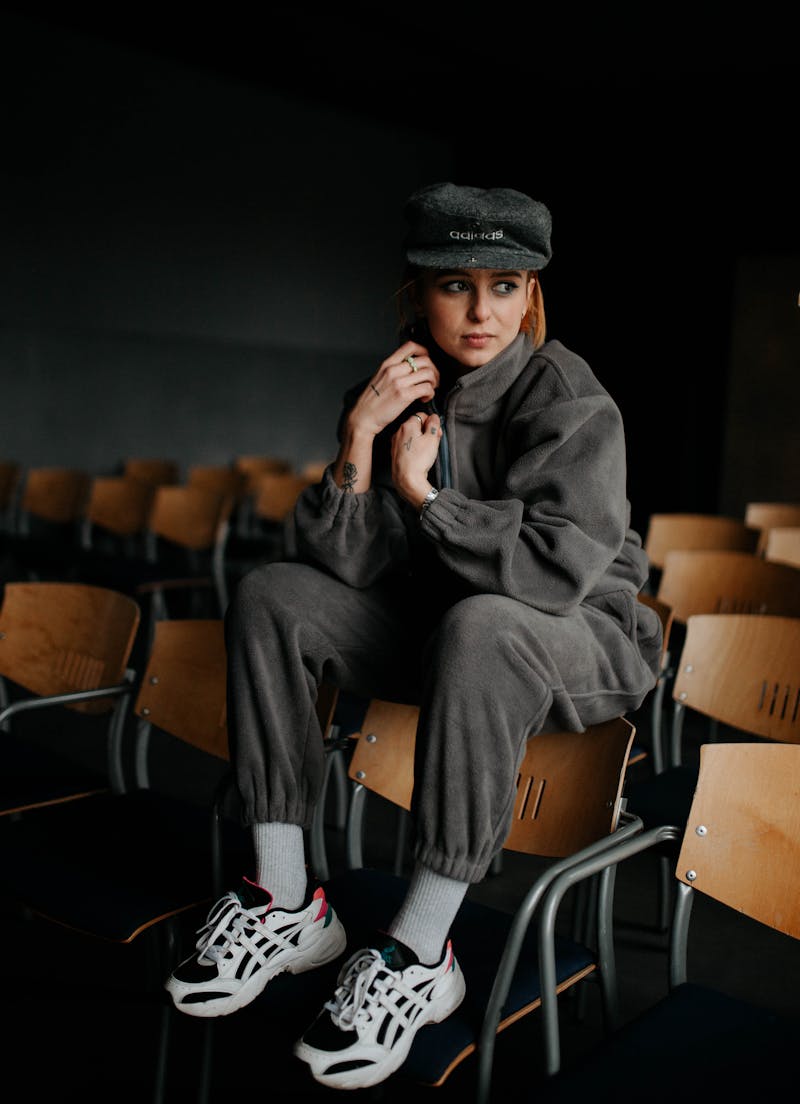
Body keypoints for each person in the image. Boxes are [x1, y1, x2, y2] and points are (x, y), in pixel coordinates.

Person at [165, 182, 663, 1090]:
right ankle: (285, 897)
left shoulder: (568, 394)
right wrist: (359, 437)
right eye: (455, 285)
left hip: (581, 635)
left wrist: (427, 498)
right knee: (272, 593)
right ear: (417, 292)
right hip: (448, 630)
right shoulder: (397, 388)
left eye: (504, 287)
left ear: (532, 296)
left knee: (481, 624)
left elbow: (555, 571)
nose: (481, 312)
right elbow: (348, 567)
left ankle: (422, 953)